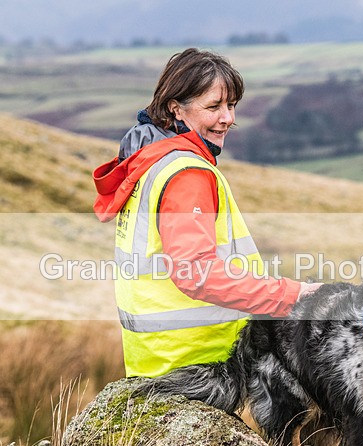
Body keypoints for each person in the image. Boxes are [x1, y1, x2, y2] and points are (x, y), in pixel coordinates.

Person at [92, 48, 319, 378]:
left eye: (231, 105)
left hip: (157, 358)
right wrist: (294, 296)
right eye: (213, 106)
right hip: (202, 360)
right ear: (176, 109)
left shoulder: (150, 163)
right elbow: (195, 271)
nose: (227, 118)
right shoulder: (186, 173)